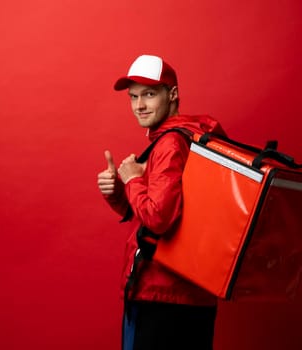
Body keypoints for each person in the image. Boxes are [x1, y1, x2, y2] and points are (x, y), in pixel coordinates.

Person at [97, 54, 226, 350]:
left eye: (149, 94)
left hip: (162, 296)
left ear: (173, 94)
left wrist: (131, 178)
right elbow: (164, 210)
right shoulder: (192, 135)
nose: (138, 106)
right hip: (193, 294)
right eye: (133, 97)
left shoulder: (169, 144)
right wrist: (118, 192)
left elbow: (158, 219)